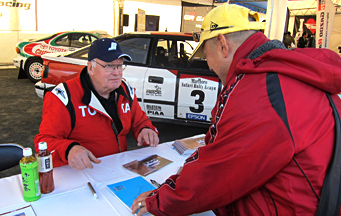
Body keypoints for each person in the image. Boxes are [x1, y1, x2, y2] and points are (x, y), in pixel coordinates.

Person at [131, 3, 341, 216]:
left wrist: (159, 199)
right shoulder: (288, 70)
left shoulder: (257, 88)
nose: (209, 66)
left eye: (206, 55)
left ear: (222, 44)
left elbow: (216, 174)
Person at [34, 38, 159, 170]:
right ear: (90, 68)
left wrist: (145, 129)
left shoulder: (125, 90)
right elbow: (44, 142)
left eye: (119, 65)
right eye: (109, 66)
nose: (116, 72)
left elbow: (140, 121)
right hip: (81, 174)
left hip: (117, 169)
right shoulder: (64, 96)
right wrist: (69, 149)